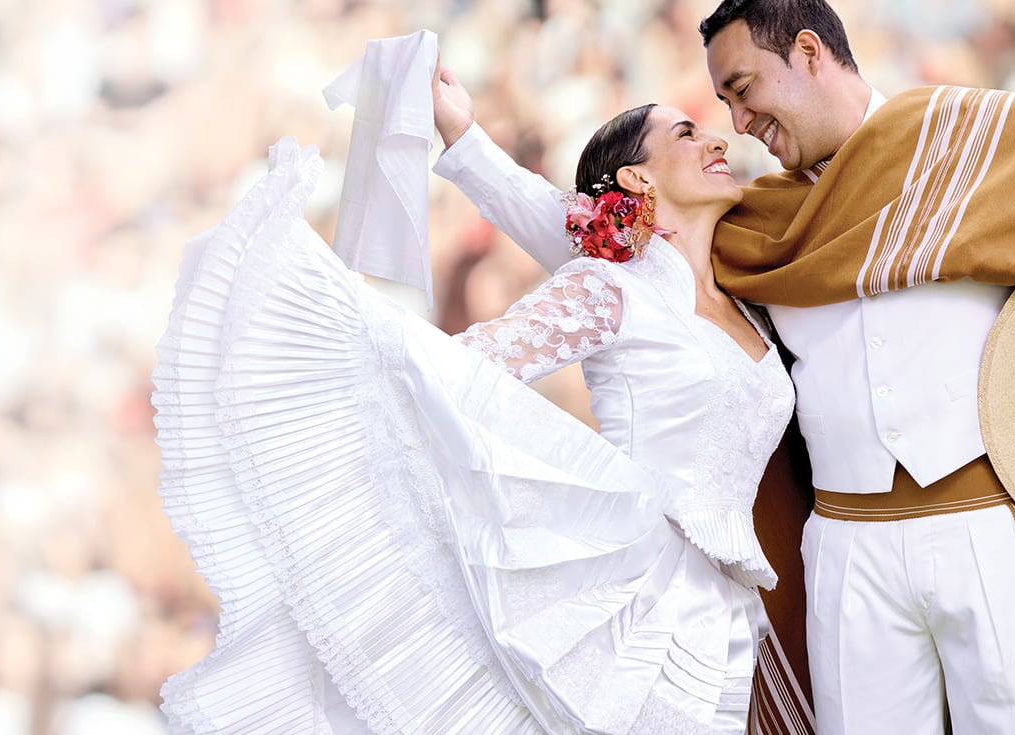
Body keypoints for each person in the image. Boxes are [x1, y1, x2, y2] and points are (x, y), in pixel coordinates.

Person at [433, 1, 1015, 732]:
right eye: (721, 103)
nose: (738, 122)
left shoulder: (979, 144)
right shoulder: (754, 226)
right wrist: (464, 140)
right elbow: (590, 234)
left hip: (984, 530)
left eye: (743, 90)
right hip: (846, 553)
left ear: (810, 52)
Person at [154, 99, 796, 733]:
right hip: (636, 592)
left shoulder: (749, 294)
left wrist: (464, 135)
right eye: (688, 133)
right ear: (638, 178)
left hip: (731, 599)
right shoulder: (614, 288)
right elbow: (469, 364)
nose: (717, 141)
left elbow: (550, 216)